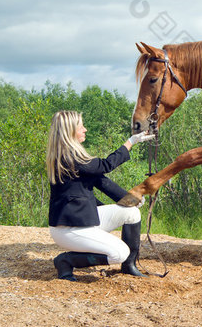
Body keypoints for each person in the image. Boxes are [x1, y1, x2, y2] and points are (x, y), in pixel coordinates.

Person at [45, 110, 154, 282]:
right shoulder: (69, 158)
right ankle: (66, 260)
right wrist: (130, 142)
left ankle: (129, 266)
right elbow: (105, 165)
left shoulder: (75, 157)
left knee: (131, 213)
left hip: (83, 219)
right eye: (81, 126)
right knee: (120, 253)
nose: (85, 129)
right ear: (69, 131)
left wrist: (131, 201)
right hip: (69, 229)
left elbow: (102, 182)